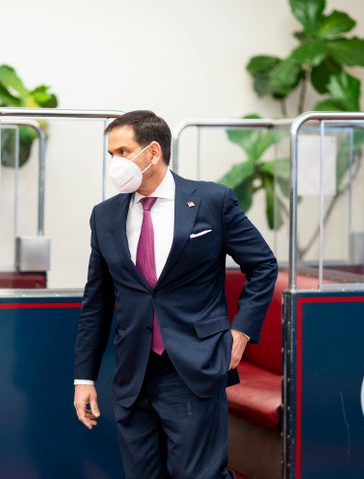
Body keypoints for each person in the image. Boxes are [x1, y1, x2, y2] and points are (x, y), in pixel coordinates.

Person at [73, 110, 278, 478]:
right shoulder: (104, 216)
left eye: (123, 152)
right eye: (111, 155)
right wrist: (84, 379)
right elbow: (97, 302)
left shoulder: (212, 201)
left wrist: (241, 331)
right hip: (134, 372)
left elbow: (263, 265)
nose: (115, 163)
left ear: (152, 152)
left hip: (194, 367)